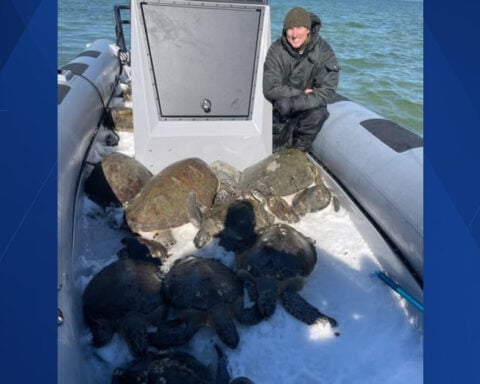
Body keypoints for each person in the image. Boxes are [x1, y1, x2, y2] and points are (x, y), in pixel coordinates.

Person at [263, 7, 339, 152]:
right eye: (290, 28)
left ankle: (297, 152)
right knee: (280, 110)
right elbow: (270, 87)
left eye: (299, 27)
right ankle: (275, 148)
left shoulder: (324, 51)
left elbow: (327, 90)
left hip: (306, 106)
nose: (294, 34)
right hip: (282, 105)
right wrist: (300, 93)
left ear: (308, 30)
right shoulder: (276, 50)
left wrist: (299, 102)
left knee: (318, 113)